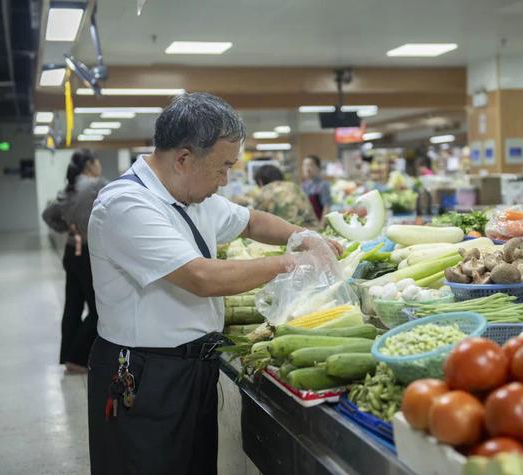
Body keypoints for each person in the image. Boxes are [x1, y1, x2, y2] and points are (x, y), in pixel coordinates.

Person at [86, 92, 341, 475]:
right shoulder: (126, 206)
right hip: (146, 375)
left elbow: (252, 221)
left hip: (194, 370)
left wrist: (308, 237)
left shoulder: (191, 195)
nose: (224, 181)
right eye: (221, 168)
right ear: (184, 158)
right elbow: (200, 277)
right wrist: (292, 262)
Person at [42, 149, 107, 374]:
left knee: (73, 306)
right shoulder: (97, 186)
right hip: (89, 253)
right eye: (97, 161)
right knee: (99, 309)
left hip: (72, 252)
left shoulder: (68, 189)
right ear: (90, 164)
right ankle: (78, 358)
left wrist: (69, 229)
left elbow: (48, 214)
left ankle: (69, 357)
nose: (100, 166)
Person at [253, 164, 319, 228]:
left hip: (284, 235)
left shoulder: (265, 191)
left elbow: (254, 220)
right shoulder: (294, 187)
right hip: (311, 232)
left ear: (260, 181)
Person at [301, 155, 332, 223]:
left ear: (318, 167)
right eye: (305, 165)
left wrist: (321, 225)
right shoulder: (304, 185)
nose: (307, 168)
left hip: (319, 223)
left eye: (310, 165)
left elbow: (326, 207)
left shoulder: (323, 185)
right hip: (307, 224)